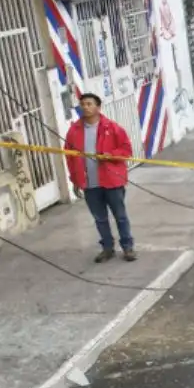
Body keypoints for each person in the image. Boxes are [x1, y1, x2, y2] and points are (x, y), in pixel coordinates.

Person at [64, 91, 135, 262]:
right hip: (90, 184)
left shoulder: (112, 128)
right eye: (83, 104)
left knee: (120, 216)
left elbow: (126, 151)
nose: (86, 107)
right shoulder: (74, 131)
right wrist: (75, 179)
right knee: (100, 218)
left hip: (112, 181)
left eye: (89, 104)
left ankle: (127, 247)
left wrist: (109, 155)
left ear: (98, 107)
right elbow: (70, 157)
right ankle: (107, 248)